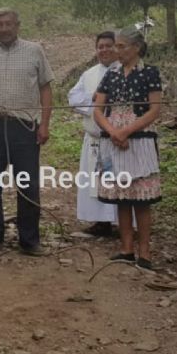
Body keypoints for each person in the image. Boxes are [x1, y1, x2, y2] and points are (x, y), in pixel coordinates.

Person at [0, 7, 54, 256]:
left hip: (24, 125)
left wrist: (45, 123)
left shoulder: (34, 51)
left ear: (18, 25)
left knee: (27, 183)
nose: (4, 29)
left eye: (8, 24)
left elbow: (46, 88)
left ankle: (29, 240)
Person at [92, 28, 161, 270]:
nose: (116, 51)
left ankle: (145, 252)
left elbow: (154, 109)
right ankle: (126, 249)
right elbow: (98, 108)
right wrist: (113, 132)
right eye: (116, 46)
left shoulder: (149, 73)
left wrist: (127, 131)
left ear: (136, 48)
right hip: (113, 138)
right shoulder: (111, 75)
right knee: (122, 197)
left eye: (121, 46)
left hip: (138, 138)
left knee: (141, 198)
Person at [68, 31, 119, 237]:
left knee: (119, 181)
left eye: (109, 46)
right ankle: (101, 222)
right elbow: (73, 97)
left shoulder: (125, 72)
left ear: (117, 47)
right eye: (101, 46)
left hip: (117, 138)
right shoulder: (89, 74)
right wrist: (95, 99)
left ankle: (122, 222)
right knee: (94, 181)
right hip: (95, 138)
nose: (104, 50)